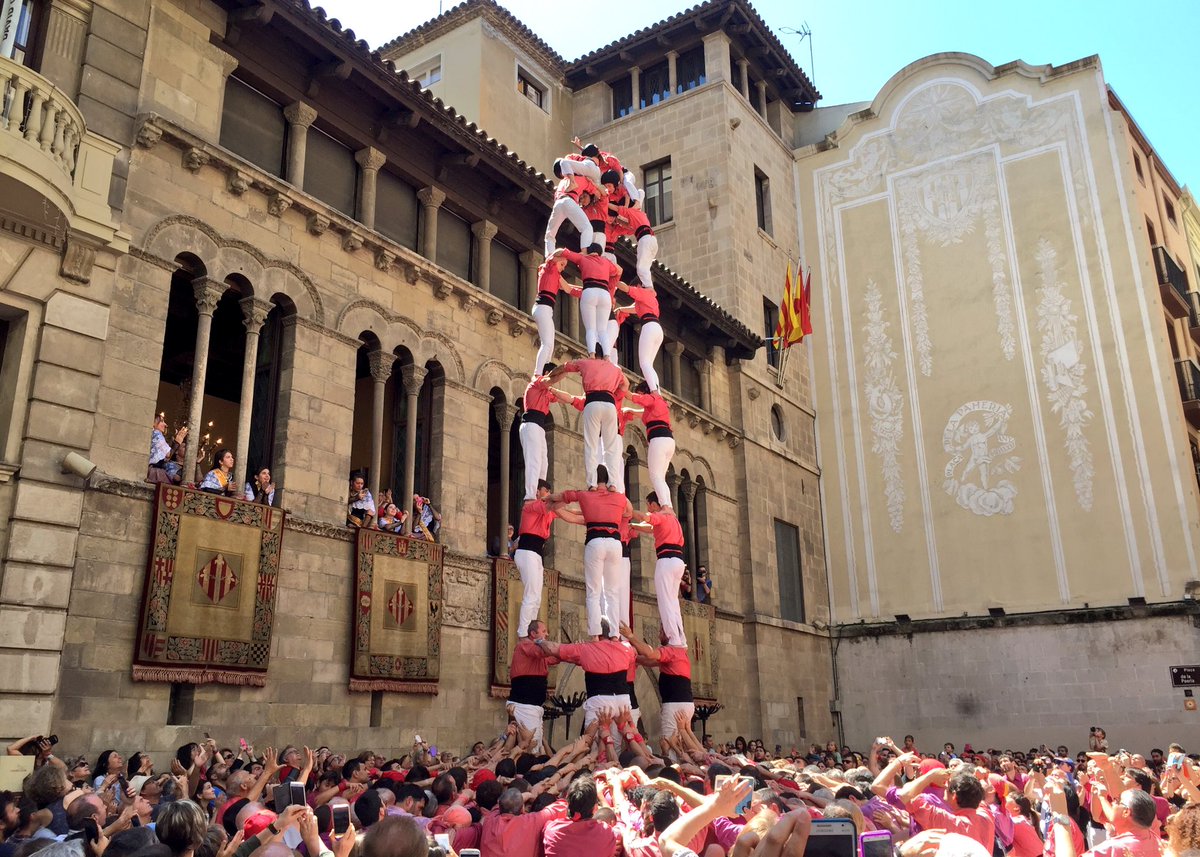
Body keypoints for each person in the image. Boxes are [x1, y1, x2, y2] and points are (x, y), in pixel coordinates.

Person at [549, 466, 632, 638]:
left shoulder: (584, 495)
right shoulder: (619, 498)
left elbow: (560, 502)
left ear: (592, 480)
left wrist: (548, 501)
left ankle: (595, 635)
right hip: (615, 544)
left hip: (595, 541)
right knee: (612, 592)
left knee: (593, 592)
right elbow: (629, 512)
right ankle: (615, 634)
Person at [548, 351, 628, 493]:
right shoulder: (616, 369)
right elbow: (625, 384)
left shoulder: (585, 362)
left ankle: (592, 483)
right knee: (610, 448)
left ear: (593, 352)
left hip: (592, 402)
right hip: (610, 405)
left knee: (591, 446)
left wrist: (550, 376)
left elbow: (564, 367)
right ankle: (613, 483)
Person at [537, 619, 635, 727]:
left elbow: (552, 648)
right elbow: (631, 655)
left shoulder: (585, 648)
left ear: (596, 632)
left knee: (591, 738)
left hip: (600, 700)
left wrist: (539, 641)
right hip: (623, 701)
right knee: (619, 740)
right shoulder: (626, 647)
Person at [621, 622, 693, 756]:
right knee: (682, 744)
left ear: (668, 634)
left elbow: (650, 654)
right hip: (685, 704)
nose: (658, 635)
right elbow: (649, 661)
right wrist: (634, 657)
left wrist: (630, 636)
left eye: (661, 632)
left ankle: (677, 773)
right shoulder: (680, 652)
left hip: (675, 706)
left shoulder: (672, 650)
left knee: (671, 745)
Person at [631, 492, 687, 647]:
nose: (648, 508)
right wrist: (633, 526)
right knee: (673, 601)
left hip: (666, 561)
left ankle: (673, 638)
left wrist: (629, 511)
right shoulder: (674, 520)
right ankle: (681, 638)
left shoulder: (661, 516)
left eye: (648, 505)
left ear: (654, 505)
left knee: (665, 602)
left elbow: (646, 518)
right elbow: (650, 528)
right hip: (678, 562)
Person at [555, 250, 622, 358]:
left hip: (609, 322)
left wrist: (553, 267)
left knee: (595, 340)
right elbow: (619, 270)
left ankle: (595, 356)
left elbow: (568, 289)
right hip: (606, 323)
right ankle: (604, 358)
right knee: (601, 344)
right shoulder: (605, 288)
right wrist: (604, 261)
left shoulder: (593, 290)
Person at [507, 619, 559, 750]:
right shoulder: (524, 645)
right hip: (525, 706)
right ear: (533, 633)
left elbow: (556, 656)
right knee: (531, 748)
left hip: (533, 706)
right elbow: (548, 650)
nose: (546, 634)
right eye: (543, 631)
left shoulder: (539, 653)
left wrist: (572, 650)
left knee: (538, 747)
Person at [629, 381, 673, 503]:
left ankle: (665, 505)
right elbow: (641, 414)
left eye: (640, 394)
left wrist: (620, 389)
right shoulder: (658, 404)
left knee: (655, 476)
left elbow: (633, 398)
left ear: (645, 392)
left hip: (658, 440)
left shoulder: (652, 399)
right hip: (668, 440)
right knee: (661, 478)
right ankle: (668, 506)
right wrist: (629, 410)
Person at [531, 253, 571, 377]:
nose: (563, 268)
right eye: (562, 264)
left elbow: (569, 289)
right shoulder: (549, 268)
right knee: (547, 344)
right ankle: (537, 373)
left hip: (545, 310)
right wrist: (566, 254)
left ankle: (545, 369)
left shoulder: (555, 275)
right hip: (542, 308)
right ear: (556, 262)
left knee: (550, 344)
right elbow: (552, 258)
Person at [148, 414, 186, 483]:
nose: (166, 425)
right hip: (154, 472)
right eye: (162, 421)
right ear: (153, 423)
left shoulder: (151, 434)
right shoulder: (157, 434)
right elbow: (168, 455)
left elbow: (165, 458)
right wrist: (177, 442)